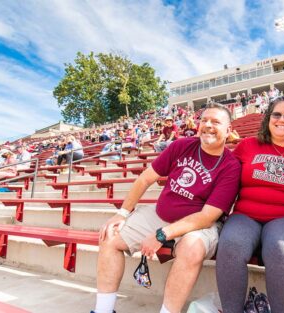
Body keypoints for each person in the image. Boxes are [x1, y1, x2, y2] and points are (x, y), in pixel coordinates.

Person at [93, 103, 241, 313]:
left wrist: (162, 235)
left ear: (228, 130)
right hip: (160, 214)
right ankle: (103, 310)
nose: (207, 125)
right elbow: (145, 179)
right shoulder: (181, 146)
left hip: (197, 225)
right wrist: (122, 213)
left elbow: (207, 217)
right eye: (204, 120)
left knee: (192, 249)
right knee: (109, 235)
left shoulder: (231, 166)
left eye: (216, 122)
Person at [216, 97, 284, 313]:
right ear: (268, 118)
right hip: (246, 214)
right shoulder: (248, 145)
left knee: (279, 248)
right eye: (276, 114)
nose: (282, 120)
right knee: (231, 243)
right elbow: (223, 177)